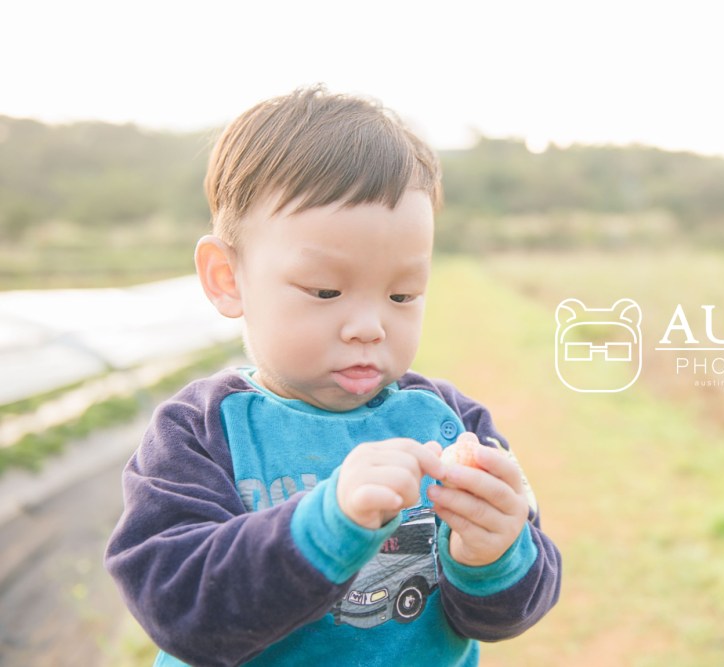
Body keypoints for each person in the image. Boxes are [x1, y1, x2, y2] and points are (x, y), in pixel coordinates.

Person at [104, 86, 561, 667]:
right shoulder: (201, 434)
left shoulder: (451, 426)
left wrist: (493, 553)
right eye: (325, 291)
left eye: (402, 294)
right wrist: (324, 524)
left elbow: (511, 610)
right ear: (227, 278)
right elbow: (177, 608)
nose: (369, 326)